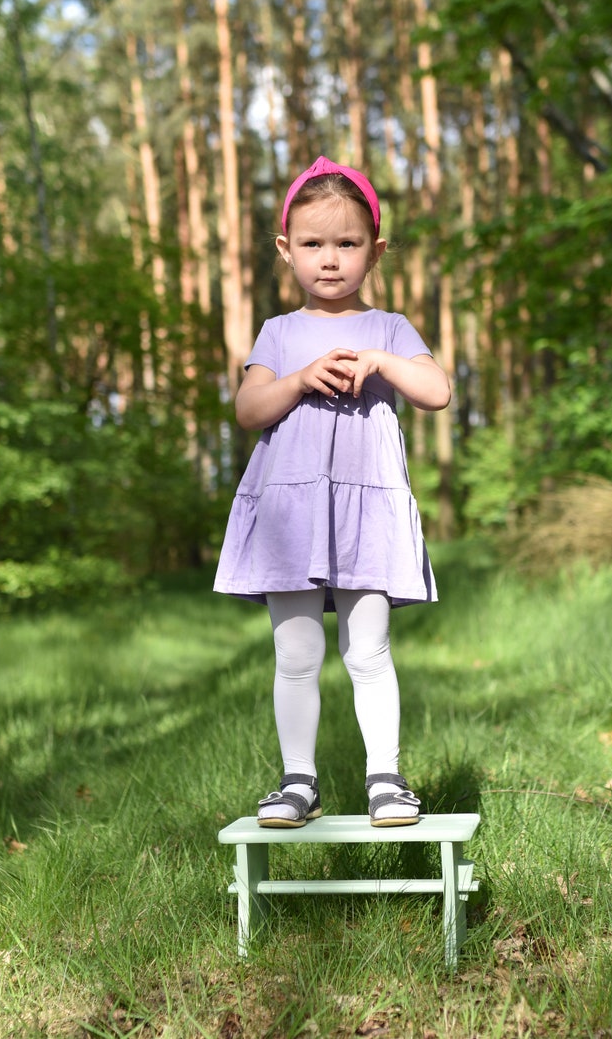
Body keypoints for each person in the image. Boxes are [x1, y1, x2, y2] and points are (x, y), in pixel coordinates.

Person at [214, 156, 451, 829]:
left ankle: (385, 777)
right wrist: (297, 379)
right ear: (287, 249)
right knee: (295, 653)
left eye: (346, 244)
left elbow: (437, 391)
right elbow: (249, 408)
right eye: (313, 244)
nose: (330, 259)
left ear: (374, 251)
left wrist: (380, 363)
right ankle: (298, 780)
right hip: (291, 511)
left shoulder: (390, 328)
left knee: (368, 649)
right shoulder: (281, 333)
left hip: (363, 512)